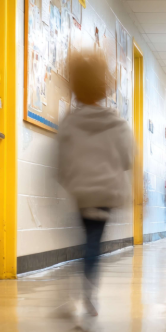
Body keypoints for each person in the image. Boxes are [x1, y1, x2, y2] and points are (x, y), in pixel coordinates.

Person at [57, 49, 135, 316]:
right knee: (94, 240)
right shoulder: (118, 123)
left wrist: (68, 180)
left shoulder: (70, 121)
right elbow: (127, 158)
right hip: (106, 192)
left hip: (81, 192)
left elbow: (62, 160)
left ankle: (79, 289)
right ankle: (88, 290)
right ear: (104, 86)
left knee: (85, 237)